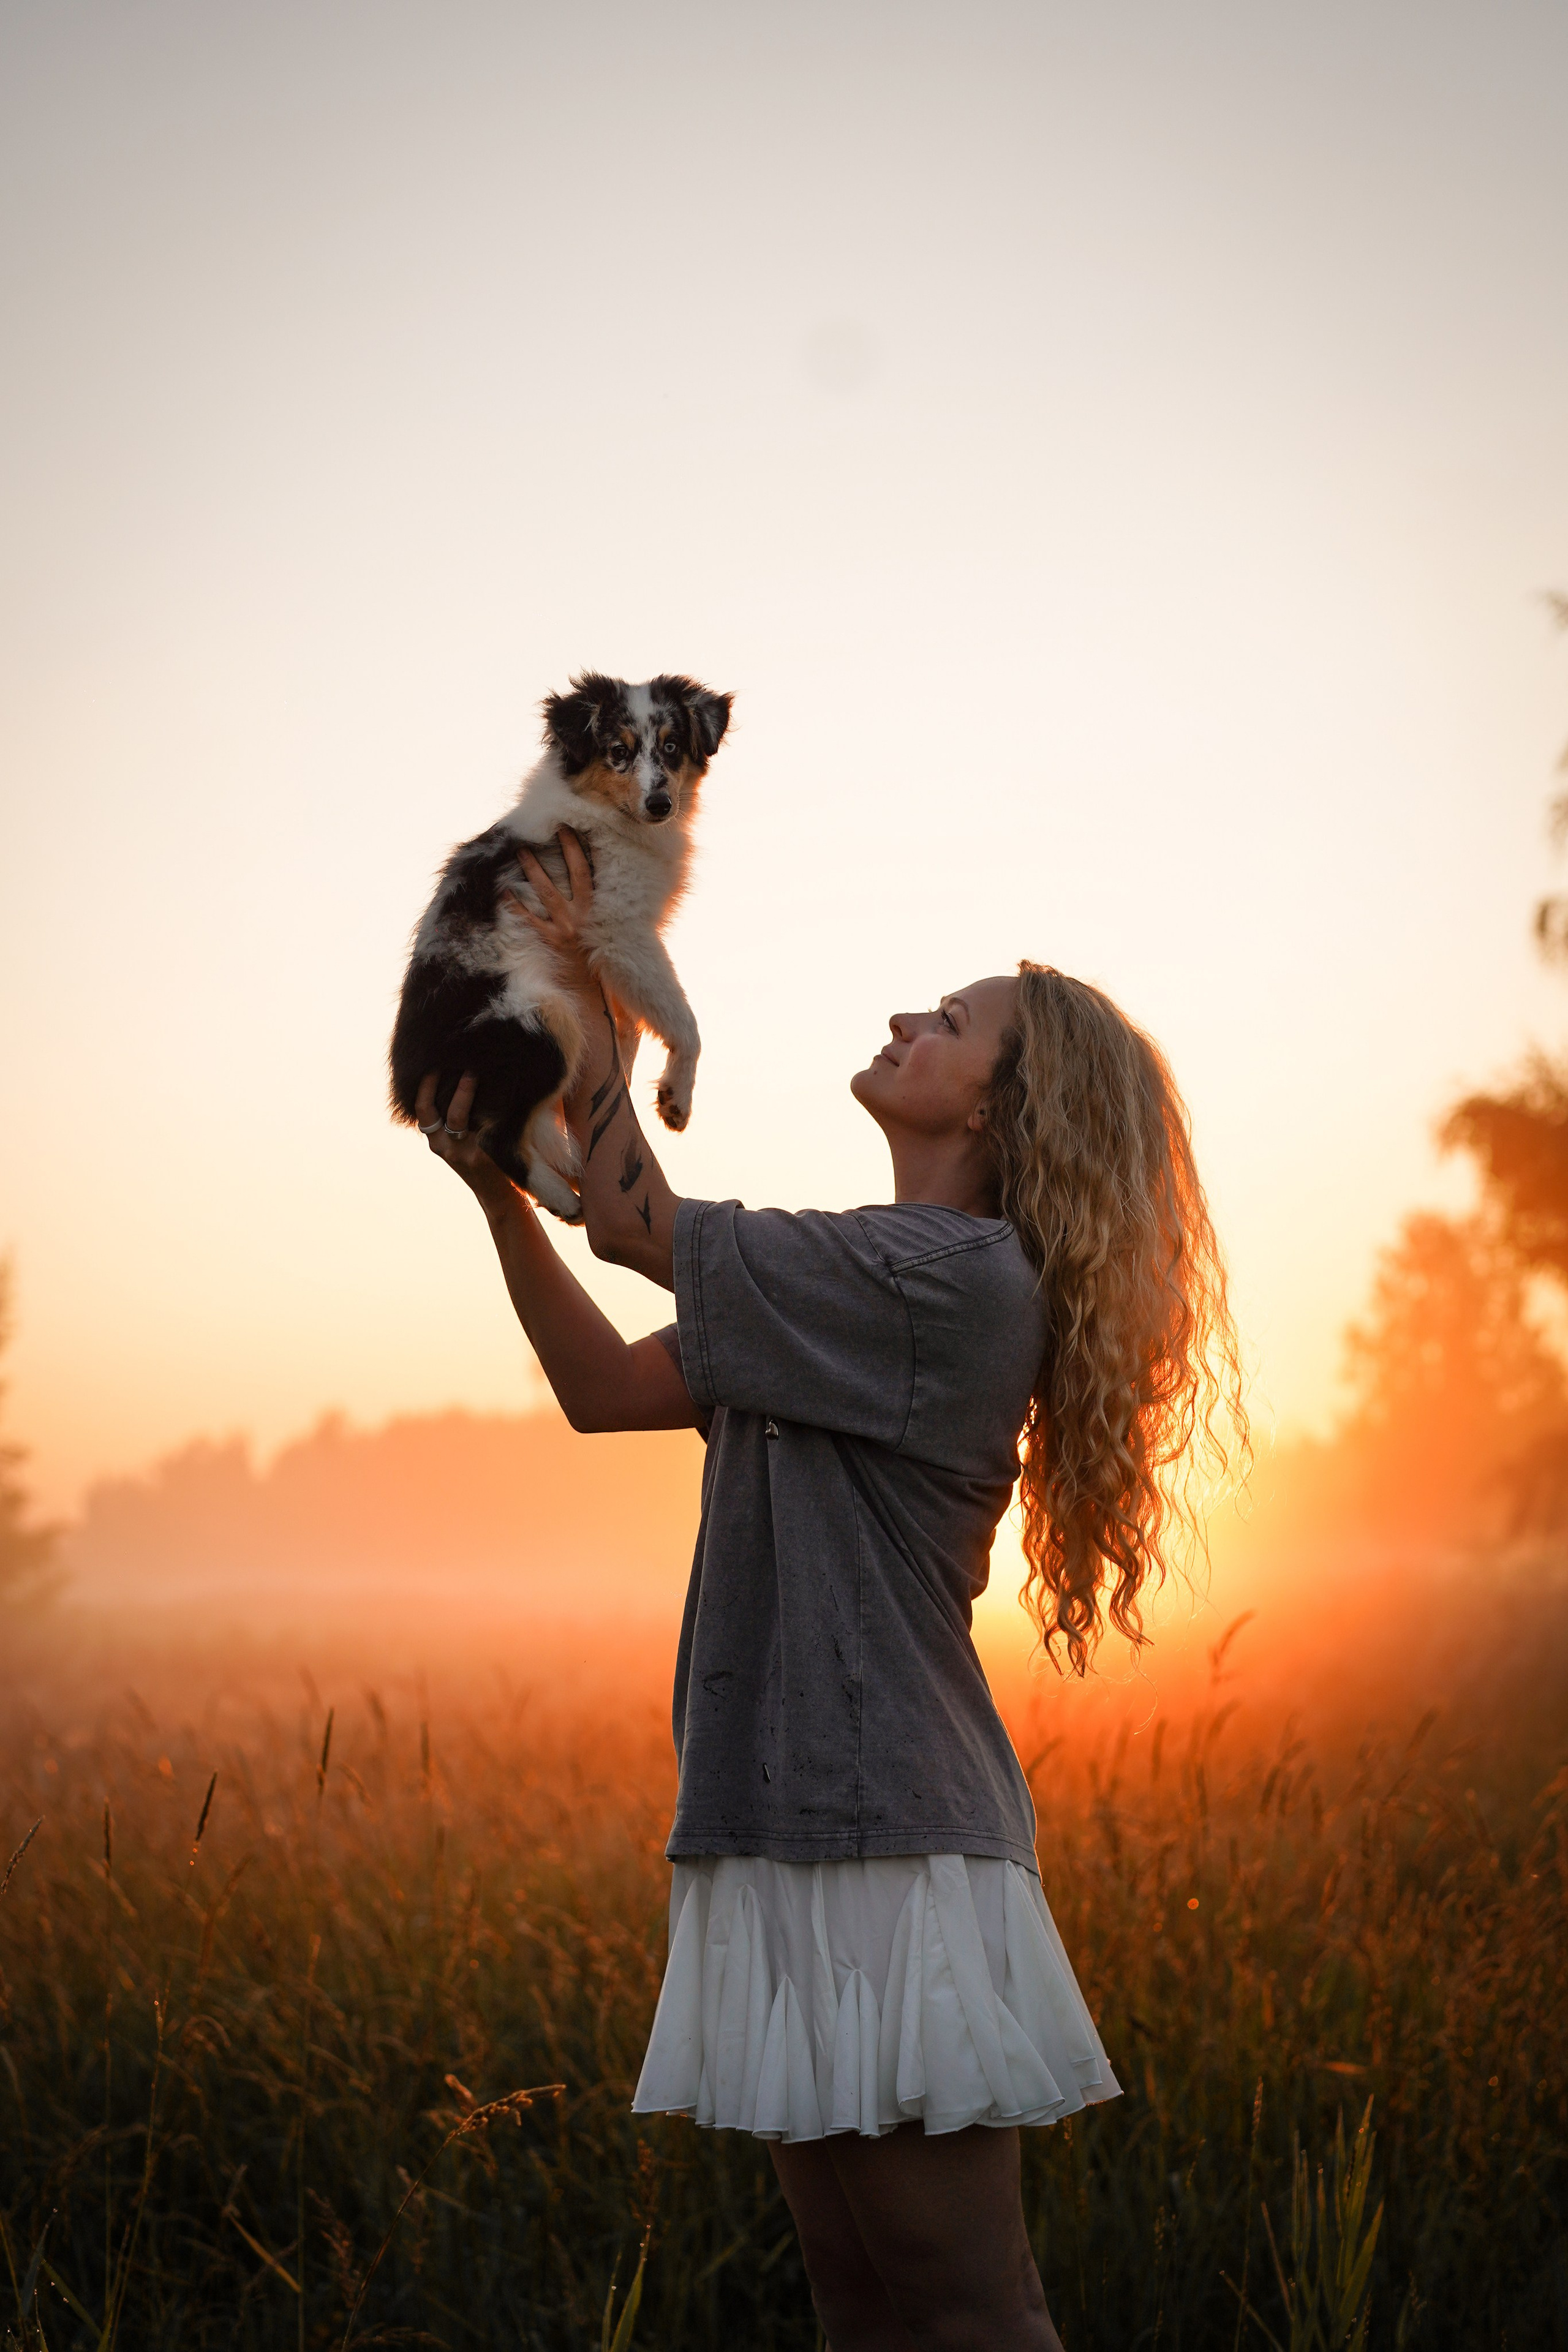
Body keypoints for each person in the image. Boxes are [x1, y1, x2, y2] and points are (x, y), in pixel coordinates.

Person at [413, 828, 1246, 2352]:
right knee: (857, 2305)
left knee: (969, 2310)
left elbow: (635, 1227)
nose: (906, 1020)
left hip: (886, 1841)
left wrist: (595, 1014)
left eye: (950, 1022)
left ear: (1001, 1103)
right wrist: (497, 1199)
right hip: (776, 1824)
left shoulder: (946, 1283)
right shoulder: (851, 1284)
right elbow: (604, 1391)